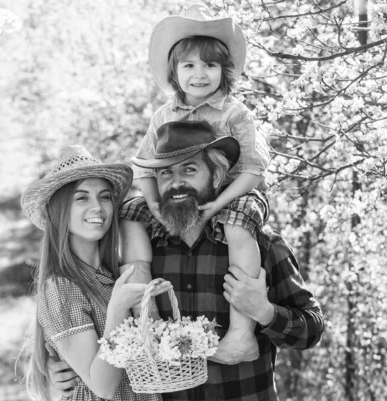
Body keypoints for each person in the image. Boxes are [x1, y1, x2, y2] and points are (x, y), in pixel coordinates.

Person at [50, 122, 325, 401]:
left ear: (216, 175)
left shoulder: (260, 246)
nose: (175, 182)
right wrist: (52, 369)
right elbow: (79, 313)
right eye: (166, 172)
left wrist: (264, 311)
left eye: (189, 170)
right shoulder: (138, 254)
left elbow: (312, 328)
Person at [126, 3, 271, 365]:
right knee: (130, 214)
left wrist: (218, 206)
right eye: (189, 65)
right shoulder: (164, 114)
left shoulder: (235, 113)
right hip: (178, 193)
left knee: (238, 228)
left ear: (225, 70)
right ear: (175, 72)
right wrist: (156, 206)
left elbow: (253, 169)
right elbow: (146, 167)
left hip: (234, 192)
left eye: (210, 65)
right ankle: (151, 320)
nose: (200, 74)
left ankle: (241, 332)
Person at [20, 145, 171, 401]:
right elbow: (103, 386)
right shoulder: (61, 286)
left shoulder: (110, 276)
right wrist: (117, 310)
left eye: (104, 197)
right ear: (60, 212)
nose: (97, 208)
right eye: (81, 198)